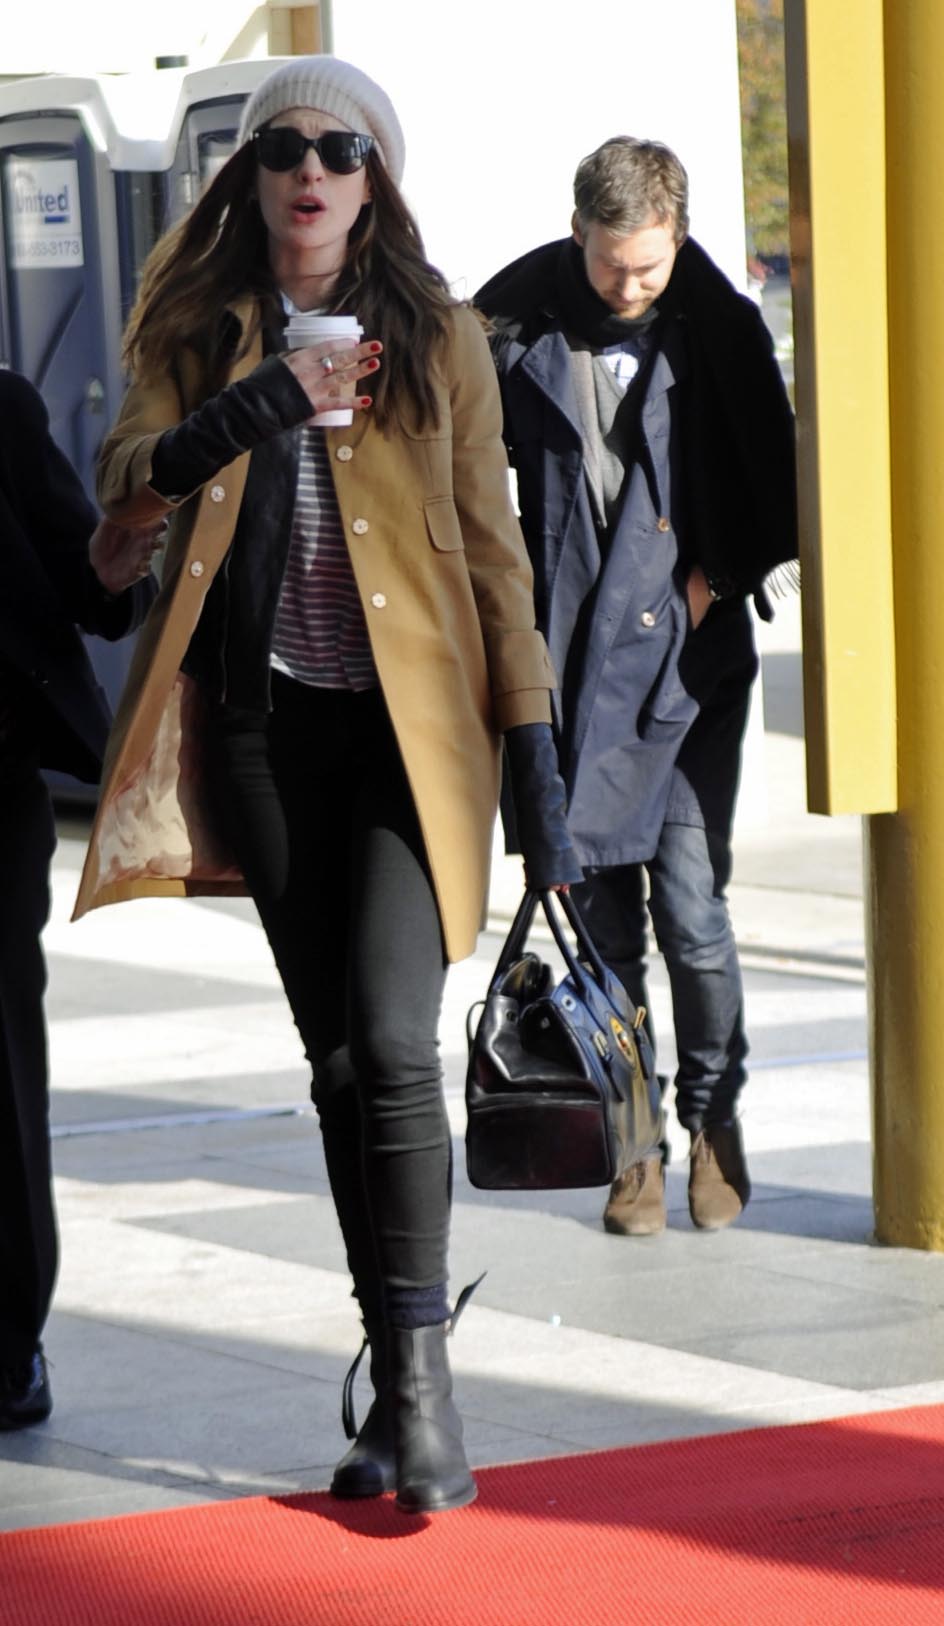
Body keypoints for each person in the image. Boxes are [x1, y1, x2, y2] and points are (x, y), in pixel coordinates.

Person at [73, 56, 580, 1513]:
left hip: (412, 743)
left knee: (396, 1045)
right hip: (263, 735)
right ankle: (396, 1361)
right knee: (340, 1065)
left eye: (340, 150)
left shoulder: (440, 335)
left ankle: (422, 1401)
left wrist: (538, 763)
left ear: (375, 181)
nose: (309, 169)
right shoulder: (194, 325)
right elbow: (127, 481)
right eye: (284, 146)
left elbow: (496, 553)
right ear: (250, 174)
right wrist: (259, 402)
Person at [476, 137, 797, 1238]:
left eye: (649, 267)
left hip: (688, 665)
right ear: (579, 233)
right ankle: (633, 1141)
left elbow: (777, 481)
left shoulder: (718, 328)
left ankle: (713, 1118)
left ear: (678, 238)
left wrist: (713, 583)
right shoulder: (513, 320)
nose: (628, 286)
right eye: (611, 264)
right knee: (602, 928)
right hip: (567, 669)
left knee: (693, 915)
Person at [0, 369, 159, 1429]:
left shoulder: (1, 412)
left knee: (0, 1068)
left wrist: (114, 569)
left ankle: (8, 1336)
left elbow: (90, 585)